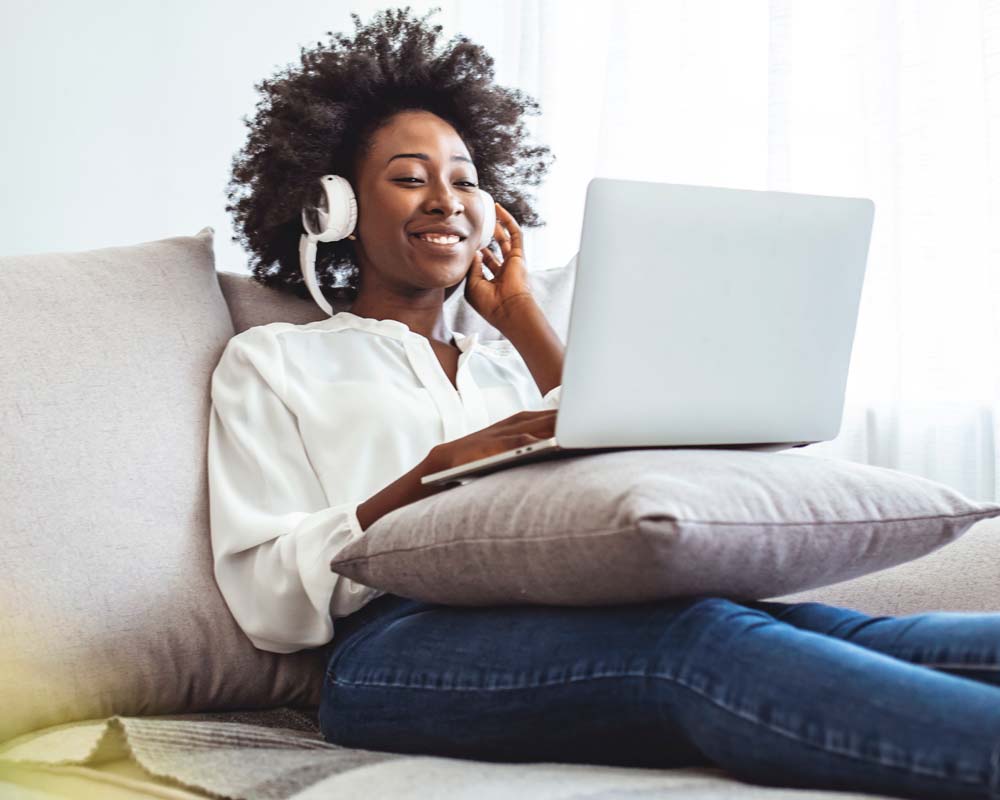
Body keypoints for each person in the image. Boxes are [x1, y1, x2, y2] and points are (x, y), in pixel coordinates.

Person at [213, 7, 1000, 798]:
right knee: (697, 642)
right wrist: (436, 470)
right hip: (385, 654)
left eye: (464, 181)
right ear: (336, 207)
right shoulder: (276, 359)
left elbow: (619, 462)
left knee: (829, 630)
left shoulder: (502, 368)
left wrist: (520, 317)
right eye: (411, 178)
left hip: (561, 602)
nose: (445, 200)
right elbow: (266, 598)